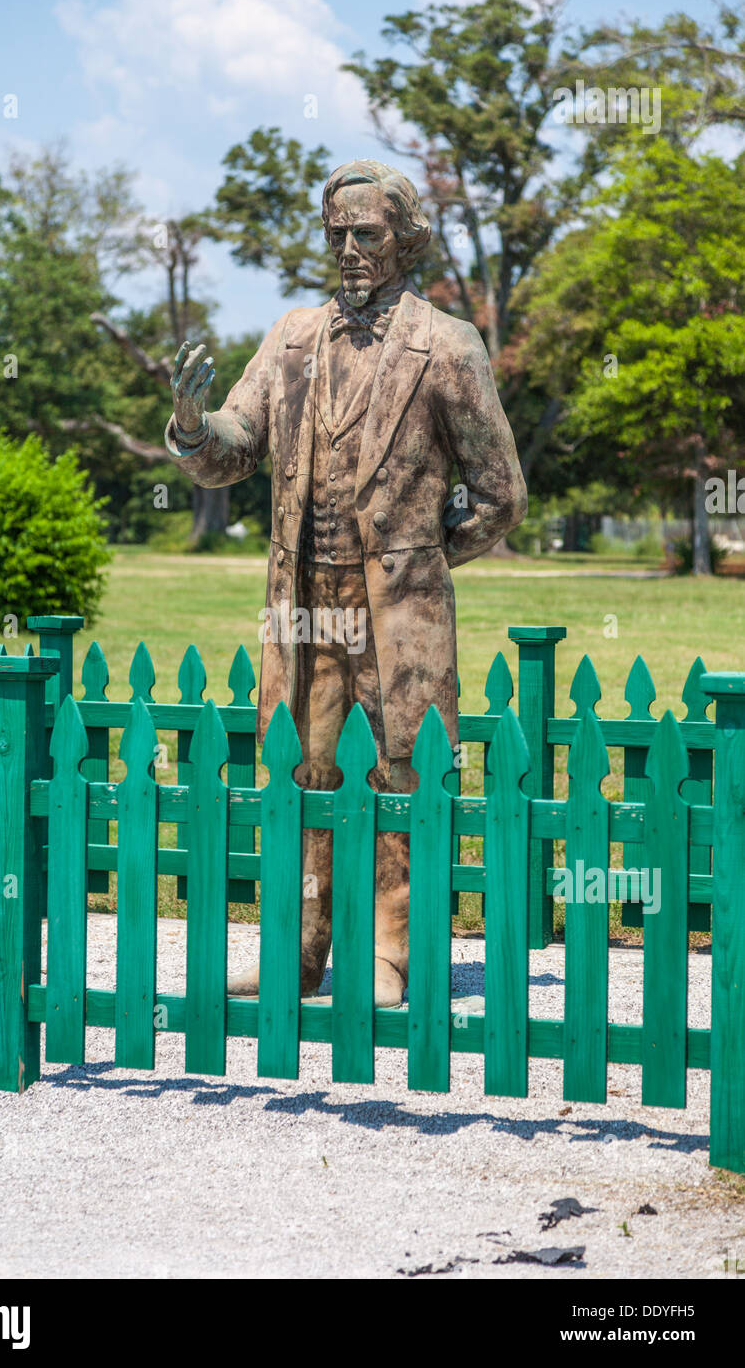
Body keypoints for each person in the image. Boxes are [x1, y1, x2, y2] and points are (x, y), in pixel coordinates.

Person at [166, 159, 527, 1006]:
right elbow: (234, 445)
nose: (350, 249)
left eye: (367, 233)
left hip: (397, 610)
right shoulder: (291, 339)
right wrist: (191, 426)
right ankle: (297, 948)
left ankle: (393, 949)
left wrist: (421, 566)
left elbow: (502, 494)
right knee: (302, 767)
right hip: (303, 604)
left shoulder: (447, 346)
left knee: (402, 768)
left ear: (405, 239)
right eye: (337, 235)